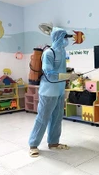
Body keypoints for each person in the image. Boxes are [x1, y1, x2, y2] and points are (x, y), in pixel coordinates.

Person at [28, 27, 79, 157]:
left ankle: (54, 142)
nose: (66, 40)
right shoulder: (48, 53)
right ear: (58, 38)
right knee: (43, 118)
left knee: (57, 118)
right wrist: (67, 76)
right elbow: (49, 73)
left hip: (60, 91)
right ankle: (33, 145)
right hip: (48, 92)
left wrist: (70, 73)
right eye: (64, 37)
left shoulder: (62, 51)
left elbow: (59, 69)